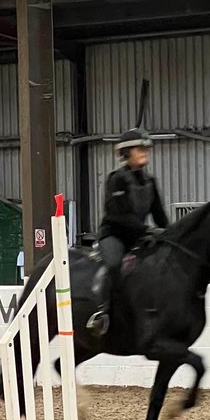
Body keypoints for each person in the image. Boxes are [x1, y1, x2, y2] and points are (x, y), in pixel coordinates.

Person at [86, 128, 169, 336]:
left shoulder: (150, 182)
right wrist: (147, 230)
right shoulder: (116, 179)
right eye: (139, 148)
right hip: (114, 234)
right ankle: (102, 313)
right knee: (114, 265)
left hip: (139, 236)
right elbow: (118, 215)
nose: (144, 152)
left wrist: (169, 235)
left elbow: (160, 215)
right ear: (126, 153)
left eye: (145, 148)